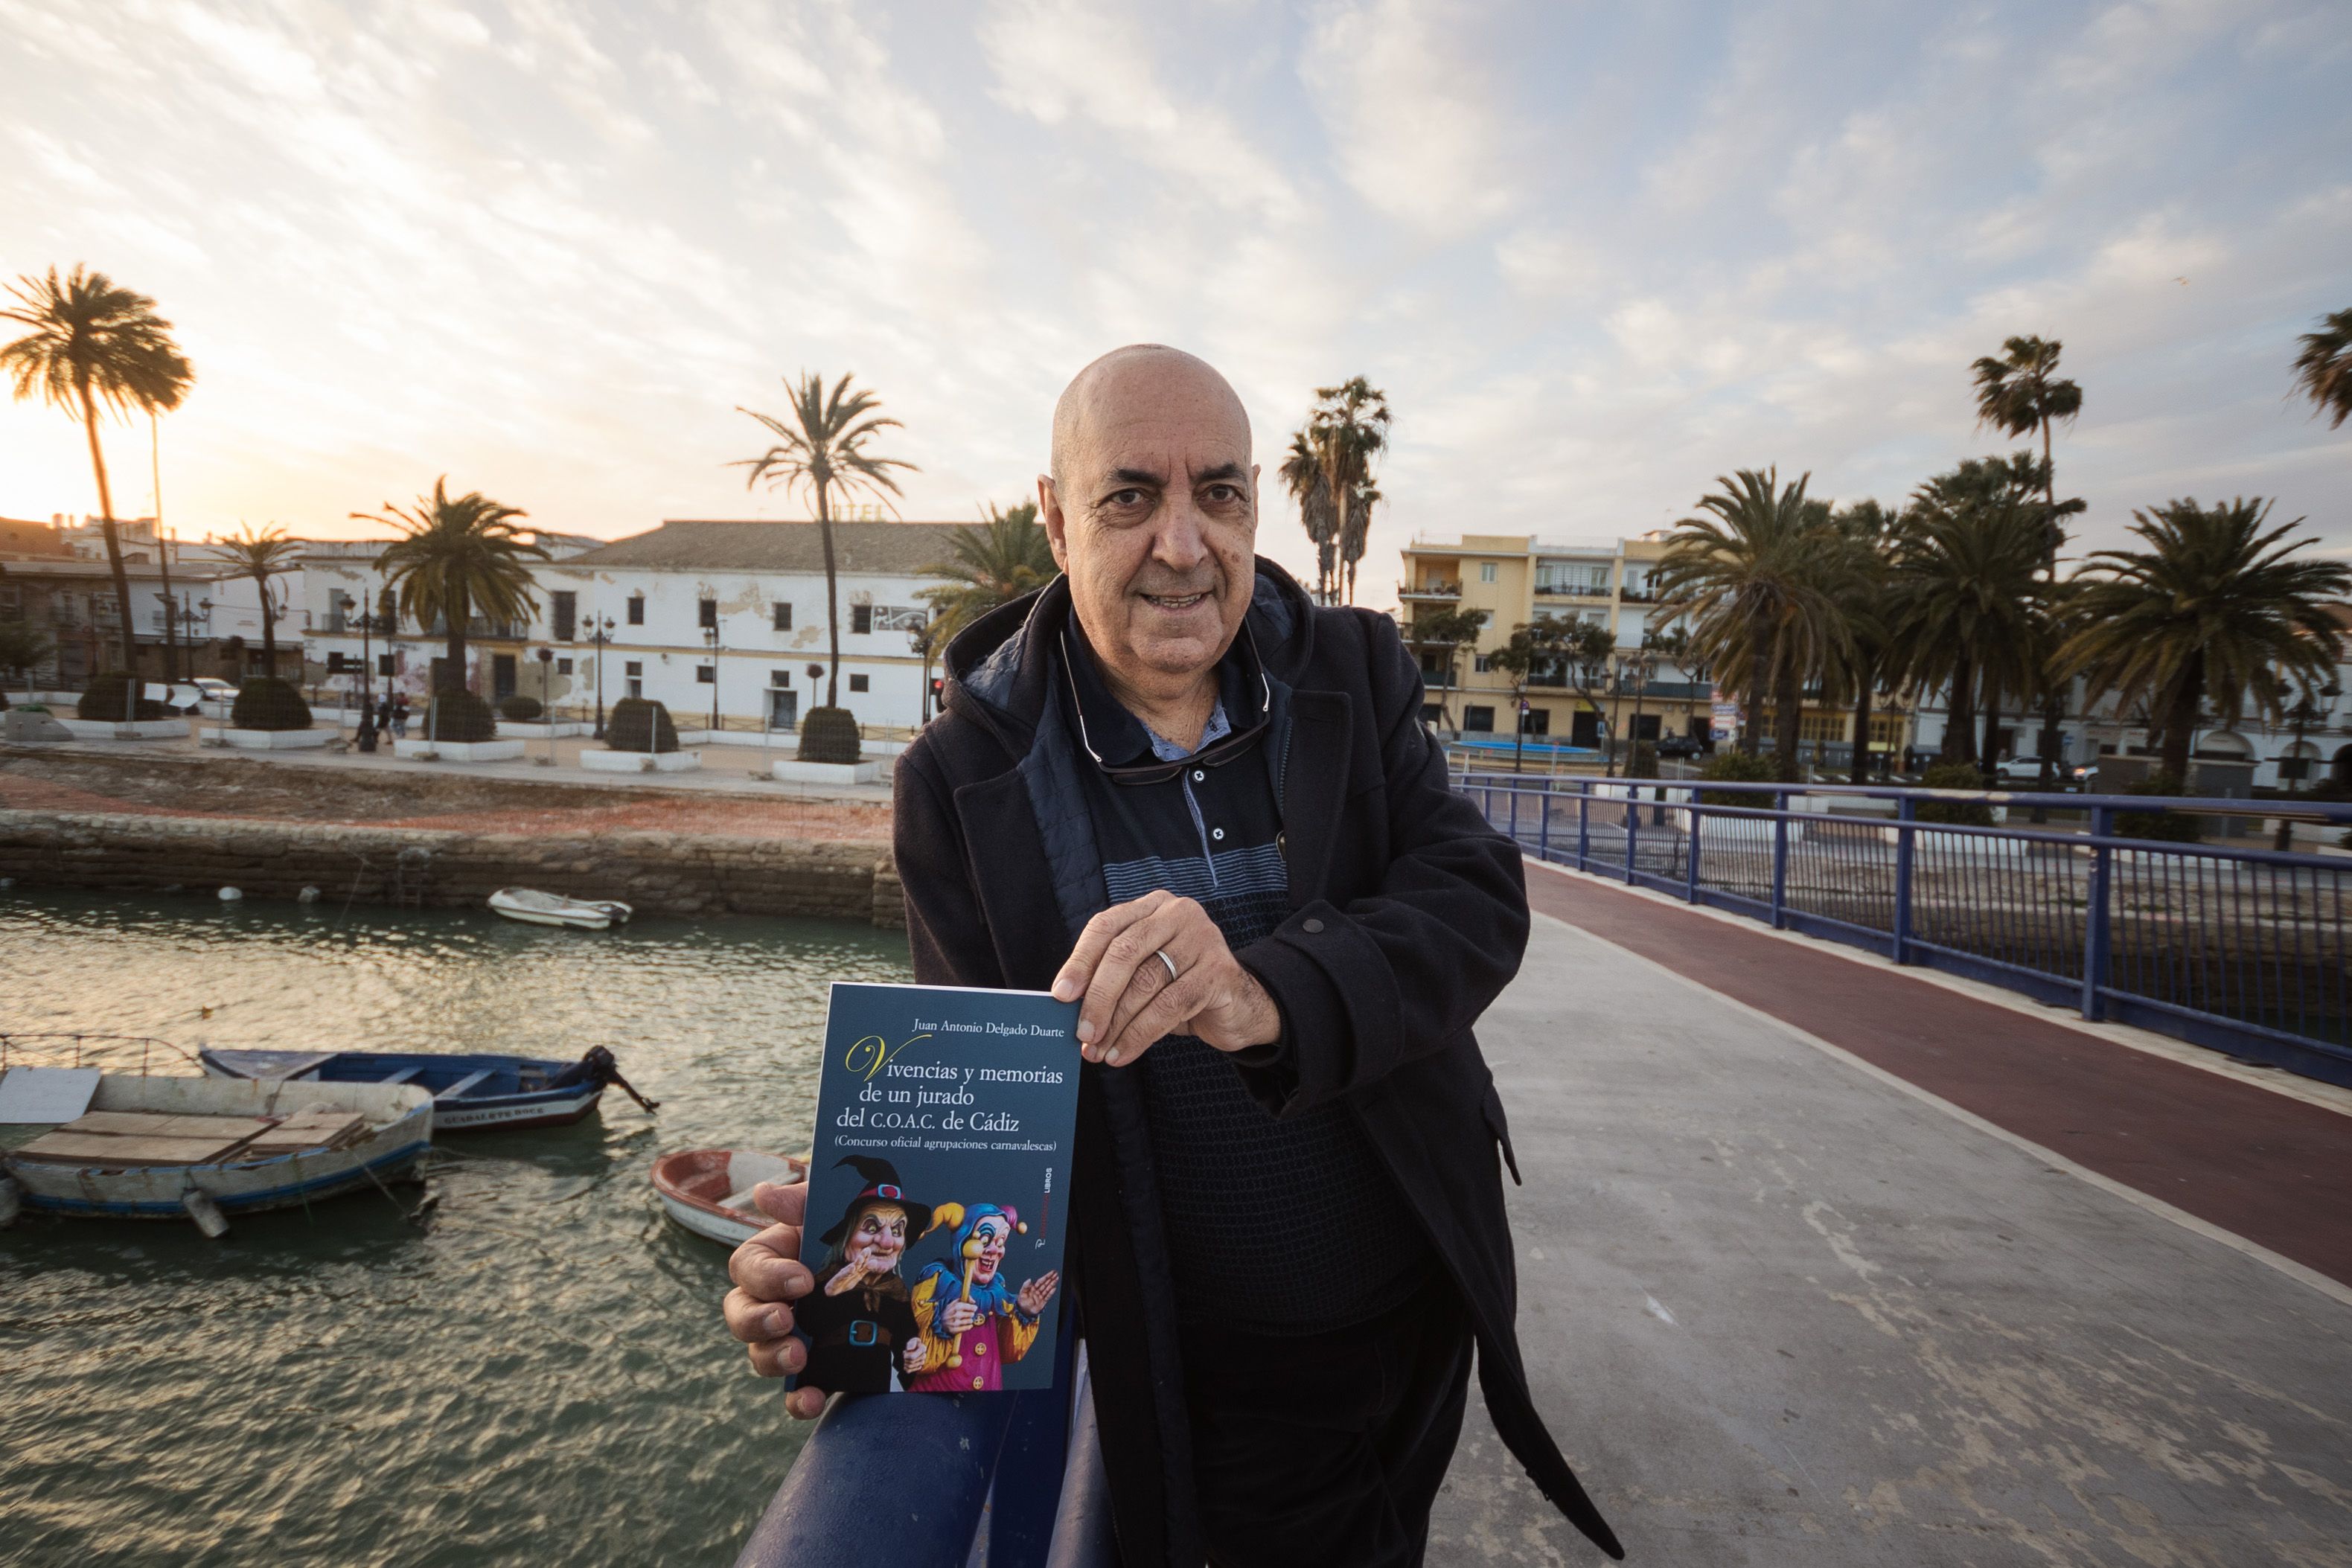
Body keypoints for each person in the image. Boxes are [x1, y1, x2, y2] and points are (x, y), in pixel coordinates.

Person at [723, 345, 1621, 1567]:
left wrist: (1266, 989)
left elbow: (1472, 896)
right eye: (1131, 495)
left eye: (1224, 495)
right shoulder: (963, 781)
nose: (1186, 543)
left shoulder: (1351, 671)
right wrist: (861, 1277)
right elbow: (984, 1111)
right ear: (1055, 518)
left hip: (1422, 1304)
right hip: (1207, 1375)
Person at [793, 1156, 933, 1396]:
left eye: (897, 1230)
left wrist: (913, 1349)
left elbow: (905, 1334)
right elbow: (806, 1323)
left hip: (875, 1384)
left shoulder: (897, 1292)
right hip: (823, 1378)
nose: (887, 1242)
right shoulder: (823, 1280)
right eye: (871, 1228)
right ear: (847, 1236)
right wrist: (831, 1292)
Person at [904, 1202, 1060, 1393]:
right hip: (935, 1402)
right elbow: (913, 1357)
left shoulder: (998, 1295)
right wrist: (941, 1325)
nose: (994, 1250)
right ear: (962, 1241)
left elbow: (1009, 1353)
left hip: (986, 1402)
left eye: (1001, 1242)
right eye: (985, 1240)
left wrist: (1024, 1312)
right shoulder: (935, 1283)